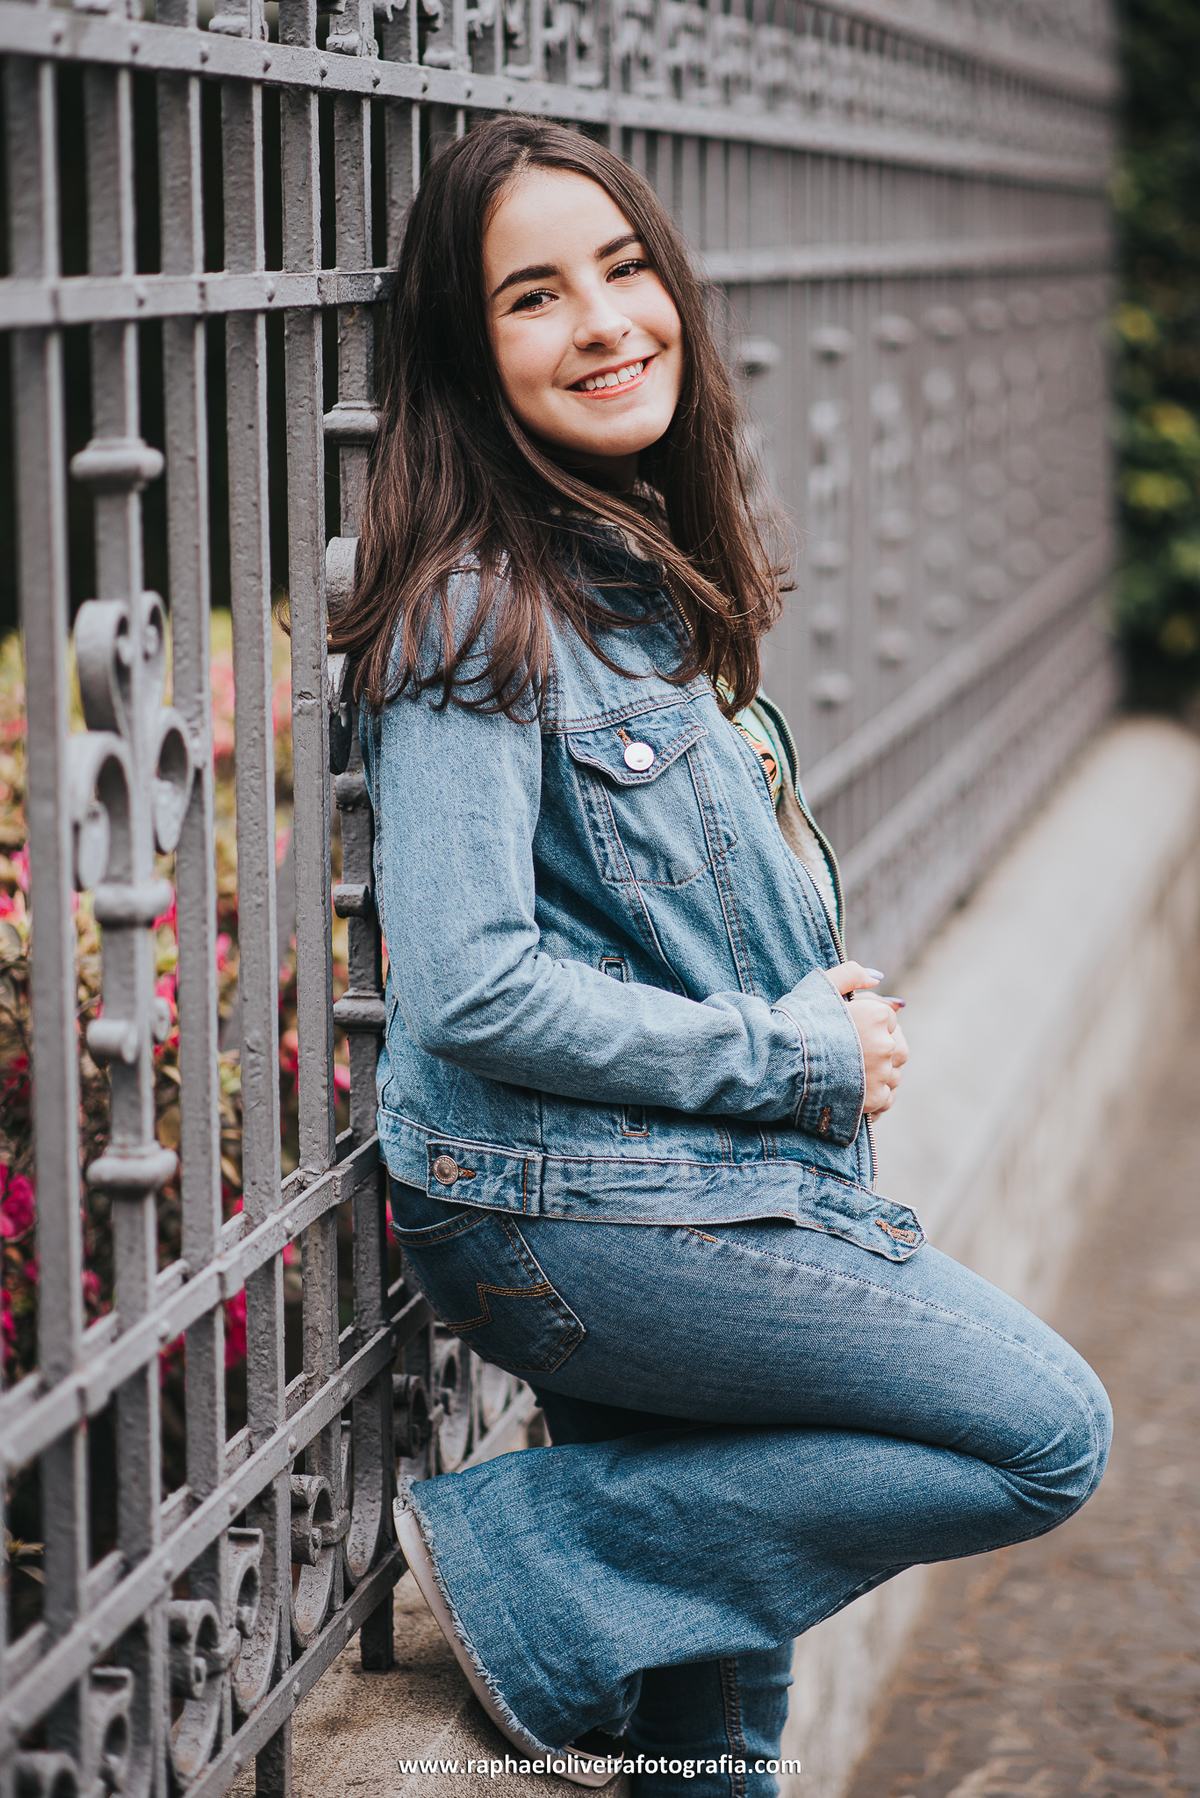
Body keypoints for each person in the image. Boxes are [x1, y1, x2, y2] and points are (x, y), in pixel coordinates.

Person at [332, 117, 1111, 1794]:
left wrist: (798, 1014)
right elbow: (471, 983)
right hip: (566, 1215)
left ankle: (624, 1654)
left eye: (623, 269)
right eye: (533, 295)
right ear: (466, 351)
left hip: (675, 1179)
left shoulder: (626, 577)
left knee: (714, 1712)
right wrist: (790, 1050)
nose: (604, 321)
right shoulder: (470, 608)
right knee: (1048, 1430)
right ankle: (527, 1561)